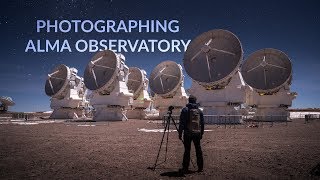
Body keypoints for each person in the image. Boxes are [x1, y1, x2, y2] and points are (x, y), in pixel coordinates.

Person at [178, 95, 204, 173]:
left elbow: (182, 123)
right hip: (197, 133)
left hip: (187, 133)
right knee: (198, 150)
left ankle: (185, 167)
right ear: (195, 101)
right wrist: (201, 134)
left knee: (187, 150)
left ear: (188, 101)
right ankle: (200, 167)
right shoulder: (199, 111)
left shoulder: (185, 110)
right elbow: (202, 124)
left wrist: (180, 133)